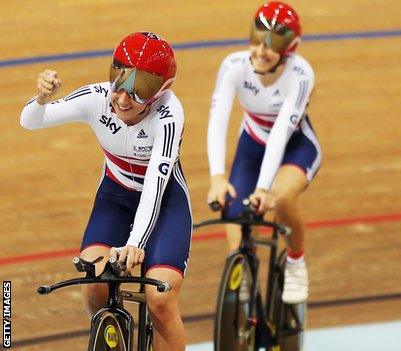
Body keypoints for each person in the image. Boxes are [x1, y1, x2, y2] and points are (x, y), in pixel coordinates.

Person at [20, 32, 190, 350]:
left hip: (164, 202)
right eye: (120, 83)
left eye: (139, 92)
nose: (124, 100)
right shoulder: (96, 97)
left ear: (161, 92)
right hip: (115, 197)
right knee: (94, 285)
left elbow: (155, 183)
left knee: (161, 298)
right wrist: (41, 99)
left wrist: (135, 244)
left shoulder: (169, 115)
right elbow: (30, 121)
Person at [207, 1, 320, 304]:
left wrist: (262, 189)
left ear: (289, 50)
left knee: (280, 198)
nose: (260, 51)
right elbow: (218, 123)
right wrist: (217, 177)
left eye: (270, 46)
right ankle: (245, 278)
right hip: (252, 146)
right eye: (257, 41)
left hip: (296, 149)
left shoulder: (301, 75)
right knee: (233, 211)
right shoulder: (234, 66)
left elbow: (280, 134)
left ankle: (296, 261)